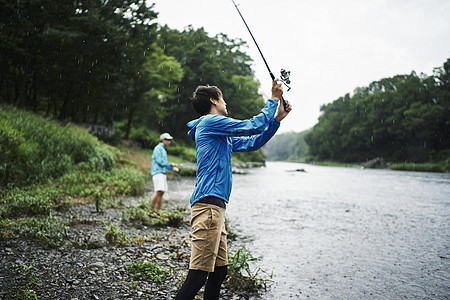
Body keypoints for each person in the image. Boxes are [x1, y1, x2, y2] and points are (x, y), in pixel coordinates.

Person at [175, 78, 292, 299]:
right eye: (223, 98)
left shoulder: (220, 134)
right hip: (208, 208)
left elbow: (252, 141)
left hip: (215, 209)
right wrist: (274, 99)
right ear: (213, 100)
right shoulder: (210, 122)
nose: (225, 103)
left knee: (219, 272)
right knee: (198, 275)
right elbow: (252, 125)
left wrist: (276, 119)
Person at [149, 133, 179, 212]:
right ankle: (151, 211)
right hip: (157, 173)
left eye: (170, 140)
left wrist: (172, 168)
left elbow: (164, 163)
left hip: (162, 173)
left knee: (161, 192)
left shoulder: (163, 149)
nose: (169, 142)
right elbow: (160, 162)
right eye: (168, 140)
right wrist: (170, 164)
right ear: (163, 140)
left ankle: (159, 211)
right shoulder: (158, 148)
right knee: (158, 191)